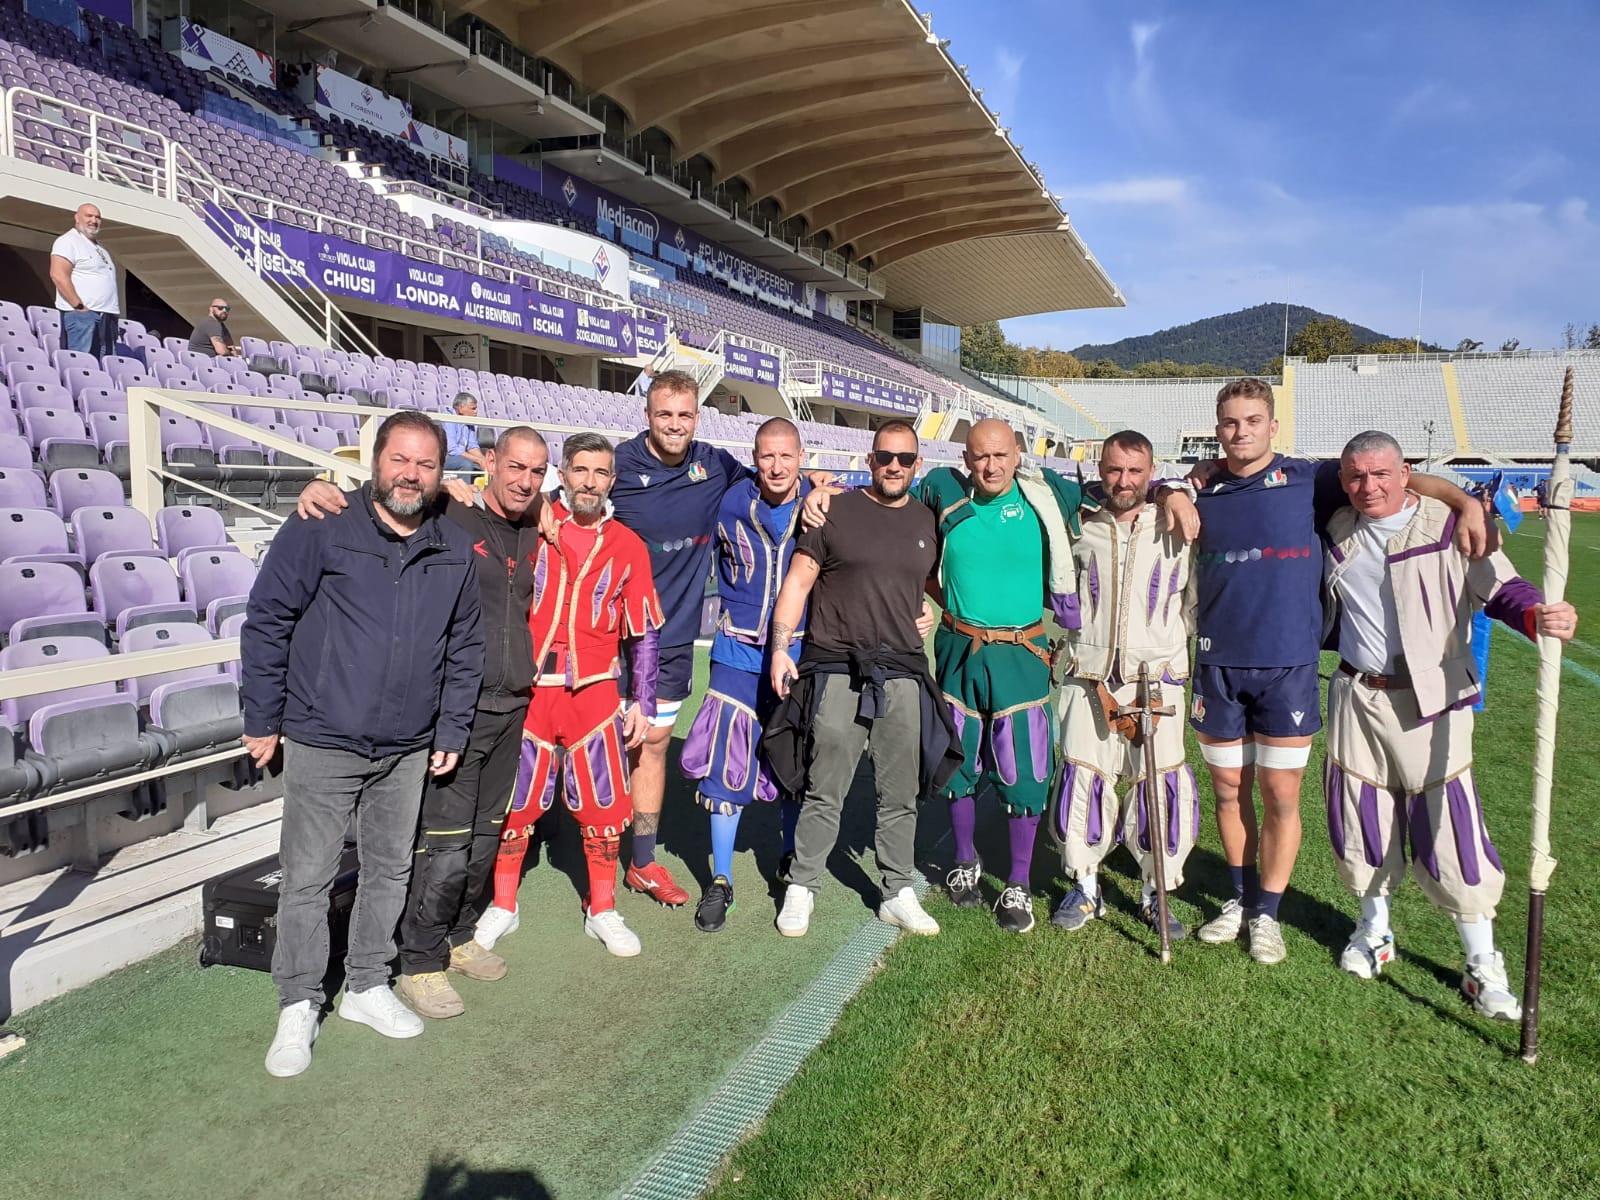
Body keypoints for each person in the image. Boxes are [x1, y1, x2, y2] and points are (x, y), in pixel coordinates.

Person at [1188, 378, 1490, 965]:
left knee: (1280, 795)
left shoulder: (1313, 479)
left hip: (1289, 667)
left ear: (1273, 426)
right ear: (1217, 427)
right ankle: (1236, 899)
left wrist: (1464, 500)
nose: (1240, 431)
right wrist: (1177, 488)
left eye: (1252, 420)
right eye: (1229, 422)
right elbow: (1135, 486)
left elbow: (1400, 479)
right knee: (1228, 792)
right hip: (1216, 664)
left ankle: (1267, 916)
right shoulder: (1203, 487)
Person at [241, 410, 484, 1078]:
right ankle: (299, 1001)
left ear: (442, 474)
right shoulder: (320, 525)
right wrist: (263, 717)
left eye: (425, 464)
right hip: (323, 737)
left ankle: (369, 985)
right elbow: (268, 622)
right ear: (375, 461)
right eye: (399, 459)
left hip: (408, 747)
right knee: (309, 877)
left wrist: (451, 728)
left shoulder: (453, 546)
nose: (410, 474)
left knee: (389, 870)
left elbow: (465, 647)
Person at [294, 426, 552, 1018]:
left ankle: (458, 936)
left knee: (487, 838)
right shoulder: (449, 510)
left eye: (537, 473)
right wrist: (319, 486)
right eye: (515, 467)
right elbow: (390, 492)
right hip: (456, 709)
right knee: (444, 847)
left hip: (515, 704)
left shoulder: (542, 526)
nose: (525, 481)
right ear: (490, 463)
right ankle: (419, 961)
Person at [1320, 430, 1577, 1018]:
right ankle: (1374, 932)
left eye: (1381, 473)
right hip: (1357, 694)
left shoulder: (1445, 523)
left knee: (1450, 826)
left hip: (1433, 697)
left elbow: (1500, 586)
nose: (1369, 487)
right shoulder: (1338, 528)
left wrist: (1539, 613)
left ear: (1404, 471)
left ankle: (1481, 963)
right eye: (1356, 477)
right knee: (1361, 817)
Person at [609, 369, 833, 907]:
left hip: (698, 639)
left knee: (785, 755)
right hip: (625, 633)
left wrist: (820, 485)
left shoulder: (720, 469)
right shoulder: (619, 464)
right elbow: (565, 491)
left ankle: (785, 864)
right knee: (687, 756)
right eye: (665, 413)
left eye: (684, 414)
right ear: (647, 416)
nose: (674, 424)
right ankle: (713, 877)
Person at [763, 421, 960, 939]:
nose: (893, 465)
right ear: (870, 460)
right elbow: (799, 581)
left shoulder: (927, 521)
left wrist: (933, 616)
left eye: (904, 458)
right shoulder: (835, 510)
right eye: (884, 456)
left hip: (902, 674)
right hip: (836, 669)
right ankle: (802, 886)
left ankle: (897, 891)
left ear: (917, 466)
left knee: (899, 795)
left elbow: (932, 588)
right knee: (824, 788)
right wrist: (781, 648)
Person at [479, 432, 663, 957]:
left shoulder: (628, 545)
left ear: (612, 481)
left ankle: (602, 908)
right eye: (580, 470)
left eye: (600, 473)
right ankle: (504, 904)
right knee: (515, 806)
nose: (589, 482)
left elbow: (644, 632)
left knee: (605, 808)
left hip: (596, 694)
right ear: (563, 473)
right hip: (531, 690)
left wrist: (643, 701)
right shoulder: (530, 528)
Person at [1050, 432, 1199, 940]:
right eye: (1114, 470)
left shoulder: (1178, 523)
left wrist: (1175, 657)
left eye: (1136, 472)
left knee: (1157, 786)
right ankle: (1086, 884)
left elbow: (1194, 602)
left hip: (1156, 679)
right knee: (1082, 778)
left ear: (1152, 471)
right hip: (1088, 674)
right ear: (1100, 467)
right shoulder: (1080, 520)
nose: (1124, 482)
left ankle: (1156, 891)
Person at [678, 418, 808, 932]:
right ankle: (723, 878)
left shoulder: (824, 506)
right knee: (723, 766)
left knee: (796, 759)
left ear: (801, 457)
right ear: (755, 456)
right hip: (735, 651)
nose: (776, 466)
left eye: (786, 456)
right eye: (766, 456)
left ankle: (790, 856)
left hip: (799, 654)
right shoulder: (729, 500)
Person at [49, 203, 119, 357]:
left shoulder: (100, 247)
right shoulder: (68, 241)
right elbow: (58, 275)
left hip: (107, 316)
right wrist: (80, 307)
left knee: (103, 366)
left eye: (97, 217)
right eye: (89, 216)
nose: (94, 220)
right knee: (82, 364)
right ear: (77, 218)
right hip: (83, 315)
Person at [444, 393, 486, 474]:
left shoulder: (469, 422)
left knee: (487, 465)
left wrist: (483, 460)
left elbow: (472, 447)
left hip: (461, 457)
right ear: (460, 409)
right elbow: (452, 450)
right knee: (466, 464)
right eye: (473, 409)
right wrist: (478, 460)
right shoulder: (447, 419)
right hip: (445, 457)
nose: (476, 412)